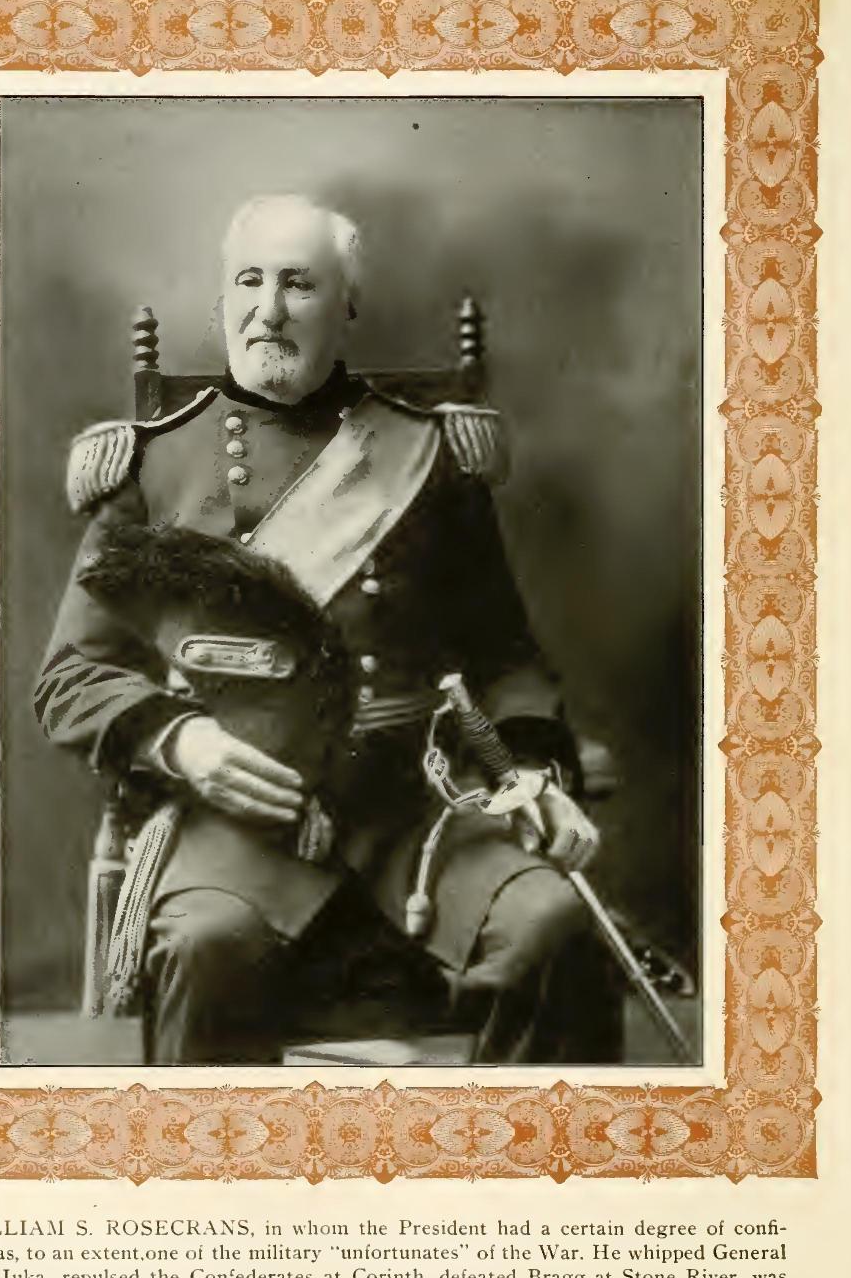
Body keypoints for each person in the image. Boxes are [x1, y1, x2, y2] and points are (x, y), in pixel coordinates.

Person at [35, 194, 622, 1065]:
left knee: (551, 925)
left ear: (346, 305)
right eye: (248, 282)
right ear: (223, 300)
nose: (268, 310)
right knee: (206, 946)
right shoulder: (152, 465)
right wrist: (181, 742)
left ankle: (522, 1158)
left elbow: (505, 657)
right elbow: (73, 676)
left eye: (299, 284)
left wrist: (530, 770)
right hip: (239, 816)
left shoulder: (428, 455)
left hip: (416, 811)